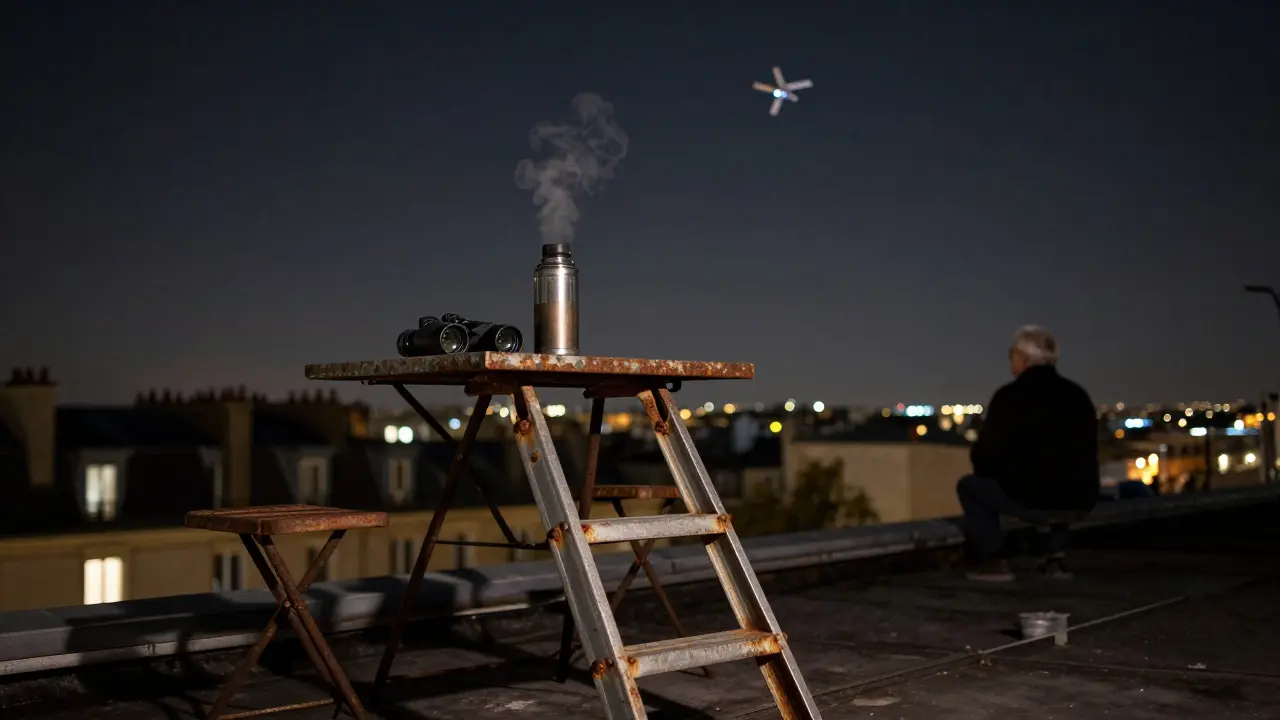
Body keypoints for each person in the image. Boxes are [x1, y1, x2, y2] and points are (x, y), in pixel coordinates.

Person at [957, 325, 1100, 581]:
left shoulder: (1009, 397)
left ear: (1023, 359)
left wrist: (998, 477)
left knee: (969, 487)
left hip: (1032, 498)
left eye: (1011, 354)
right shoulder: (1077, 395)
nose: (1010, 359)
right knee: (1058, 479)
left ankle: (993, 560)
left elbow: (984, 456)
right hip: (1081, 498)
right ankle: (1054, 556)